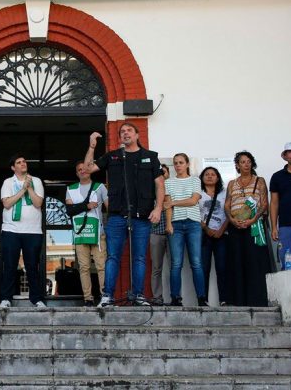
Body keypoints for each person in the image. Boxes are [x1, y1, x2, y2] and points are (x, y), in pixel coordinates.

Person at [85, 124, 163, 307]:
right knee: (112, 256)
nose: (125, 133)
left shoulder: (150, 157)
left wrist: (158, 208)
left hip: (142, 215)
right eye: (122, 132)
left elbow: (159, 184)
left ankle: (138, 294)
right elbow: (88, 168)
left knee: (140, 257)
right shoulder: (113, 156)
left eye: (129, 130)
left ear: (137, 135)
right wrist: (92, 147)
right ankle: (108, 296)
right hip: (117, 215)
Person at [225, 151, 271, 307]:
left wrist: (252, 220)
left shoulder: (260, 181)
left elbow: (264, 203)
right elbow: (227, 204)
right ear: (237, 165)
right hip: (235, 226)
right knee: (237, 261)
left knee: (255, 261)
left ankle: (257, 299)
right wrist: (232, 220)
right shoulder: (232, 183)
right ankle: (239, 300)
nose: (246, 164)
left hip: (254, 226)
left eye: (248, 161)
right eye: (242, 162)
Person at [0, 154, 45, 308]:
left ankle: (37, 299)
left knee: (32, 266)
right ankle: (6, 298)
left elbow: (38, 203)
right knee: (10, 265)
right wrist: (22, 190)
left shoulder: (36, 180)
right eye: (19, 162)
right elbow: (7, 204)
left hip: (33, 231)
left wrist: (29, 187)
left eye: (24, 161)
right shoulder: (8, 182)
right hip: (11, 230)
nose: (23, 163)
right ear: (13, 167)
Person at [65, 160, 108, 307]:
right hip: (81, 233)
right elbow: (69, 211)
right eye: (79, 170)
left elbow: (109, 207)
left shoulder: (100, 187)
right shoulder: (71, 189)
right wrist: (86, 206)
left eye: (84, 168)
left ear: (90, 170)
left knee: (101, 265)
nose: (82, 171)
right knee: (84, 267)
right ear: (76, 173)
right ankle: (88, 298)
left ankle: (105, 296)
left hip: (98, 233)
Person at [165, 153, 205, 306]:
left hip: (193, 223)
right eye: (175, 163)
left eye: (181, 162)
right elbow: (167, 207)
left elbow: (193, 200)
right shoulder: (169, 182)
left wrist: (174, 202)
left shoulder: (195, 180)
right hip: (175, 224)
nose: (178, 165)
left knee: (196, 262)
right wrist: (168, 224)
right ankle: (175, 298)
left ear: (187, 164)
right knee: (176, 263)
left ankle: (201, 298)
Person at [199, 166, 229, 306]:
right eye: (207, 174)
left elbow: (229, 213)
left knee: (222, 267)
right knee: (203, 267)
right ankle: (203, 299)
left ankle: (224, 299)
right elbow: (194, 213)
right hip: (203, 235)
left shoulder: (224, 193)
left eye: (213, 174)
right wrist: (205, 228)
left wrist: (221, 230)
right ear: (202, 177)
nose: (210, 176)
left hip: (222, 234)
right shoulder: (198, 193)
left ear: (218, 178)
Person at [148, 164, 170, 305]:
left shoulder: (173, 187)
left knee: (175, 266)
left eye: (163, 171)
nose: (161, 173)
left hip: (172, 231)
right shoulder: (150, 190)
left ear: (168, 173)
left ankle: (176, 296)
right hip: (155, 232)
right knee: (156, 267)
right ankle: (157, 297)